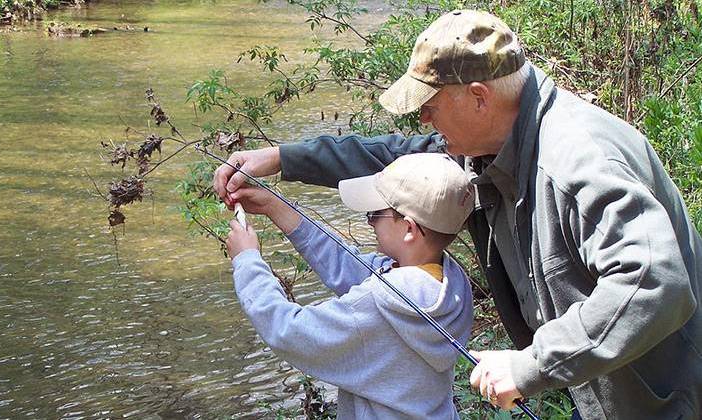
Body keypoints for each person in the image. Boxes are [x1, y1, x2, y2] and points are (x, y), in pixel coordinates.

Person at [215, 9, 702, 420]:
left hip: (663, 399)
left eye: (430, 105)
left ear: (478, 96)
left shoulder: (577, 162)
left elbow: (655, 282)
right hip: (599, 387)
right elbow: (398, 163)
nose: (422, 118)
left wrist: (529, 366)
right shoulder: (489, 144)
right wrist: (283, 158)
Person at [225, 153, 475, 419]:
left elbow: (288, 330)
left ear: (409, 229)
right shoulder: (451, 284)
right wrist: (275, 206)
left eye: (374, 214)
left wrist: (247, 260)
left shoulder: (377, 306)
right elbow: (347, 263)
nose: (369, 221)